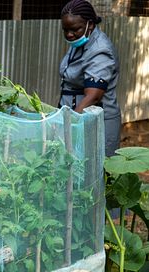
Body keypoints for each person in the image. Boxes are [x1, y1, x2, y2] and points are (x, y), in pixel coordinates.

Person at [59, 0, 121, 156]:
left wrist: (69, 126)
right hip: (78, 120)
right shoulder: (80, 42)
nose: (69, 34)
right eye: (65, 30)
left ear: (90, 24)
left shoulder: (100, 50)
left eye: (74, 29)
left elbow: (93, 97)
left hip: (95, 125)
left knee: (95, 175)